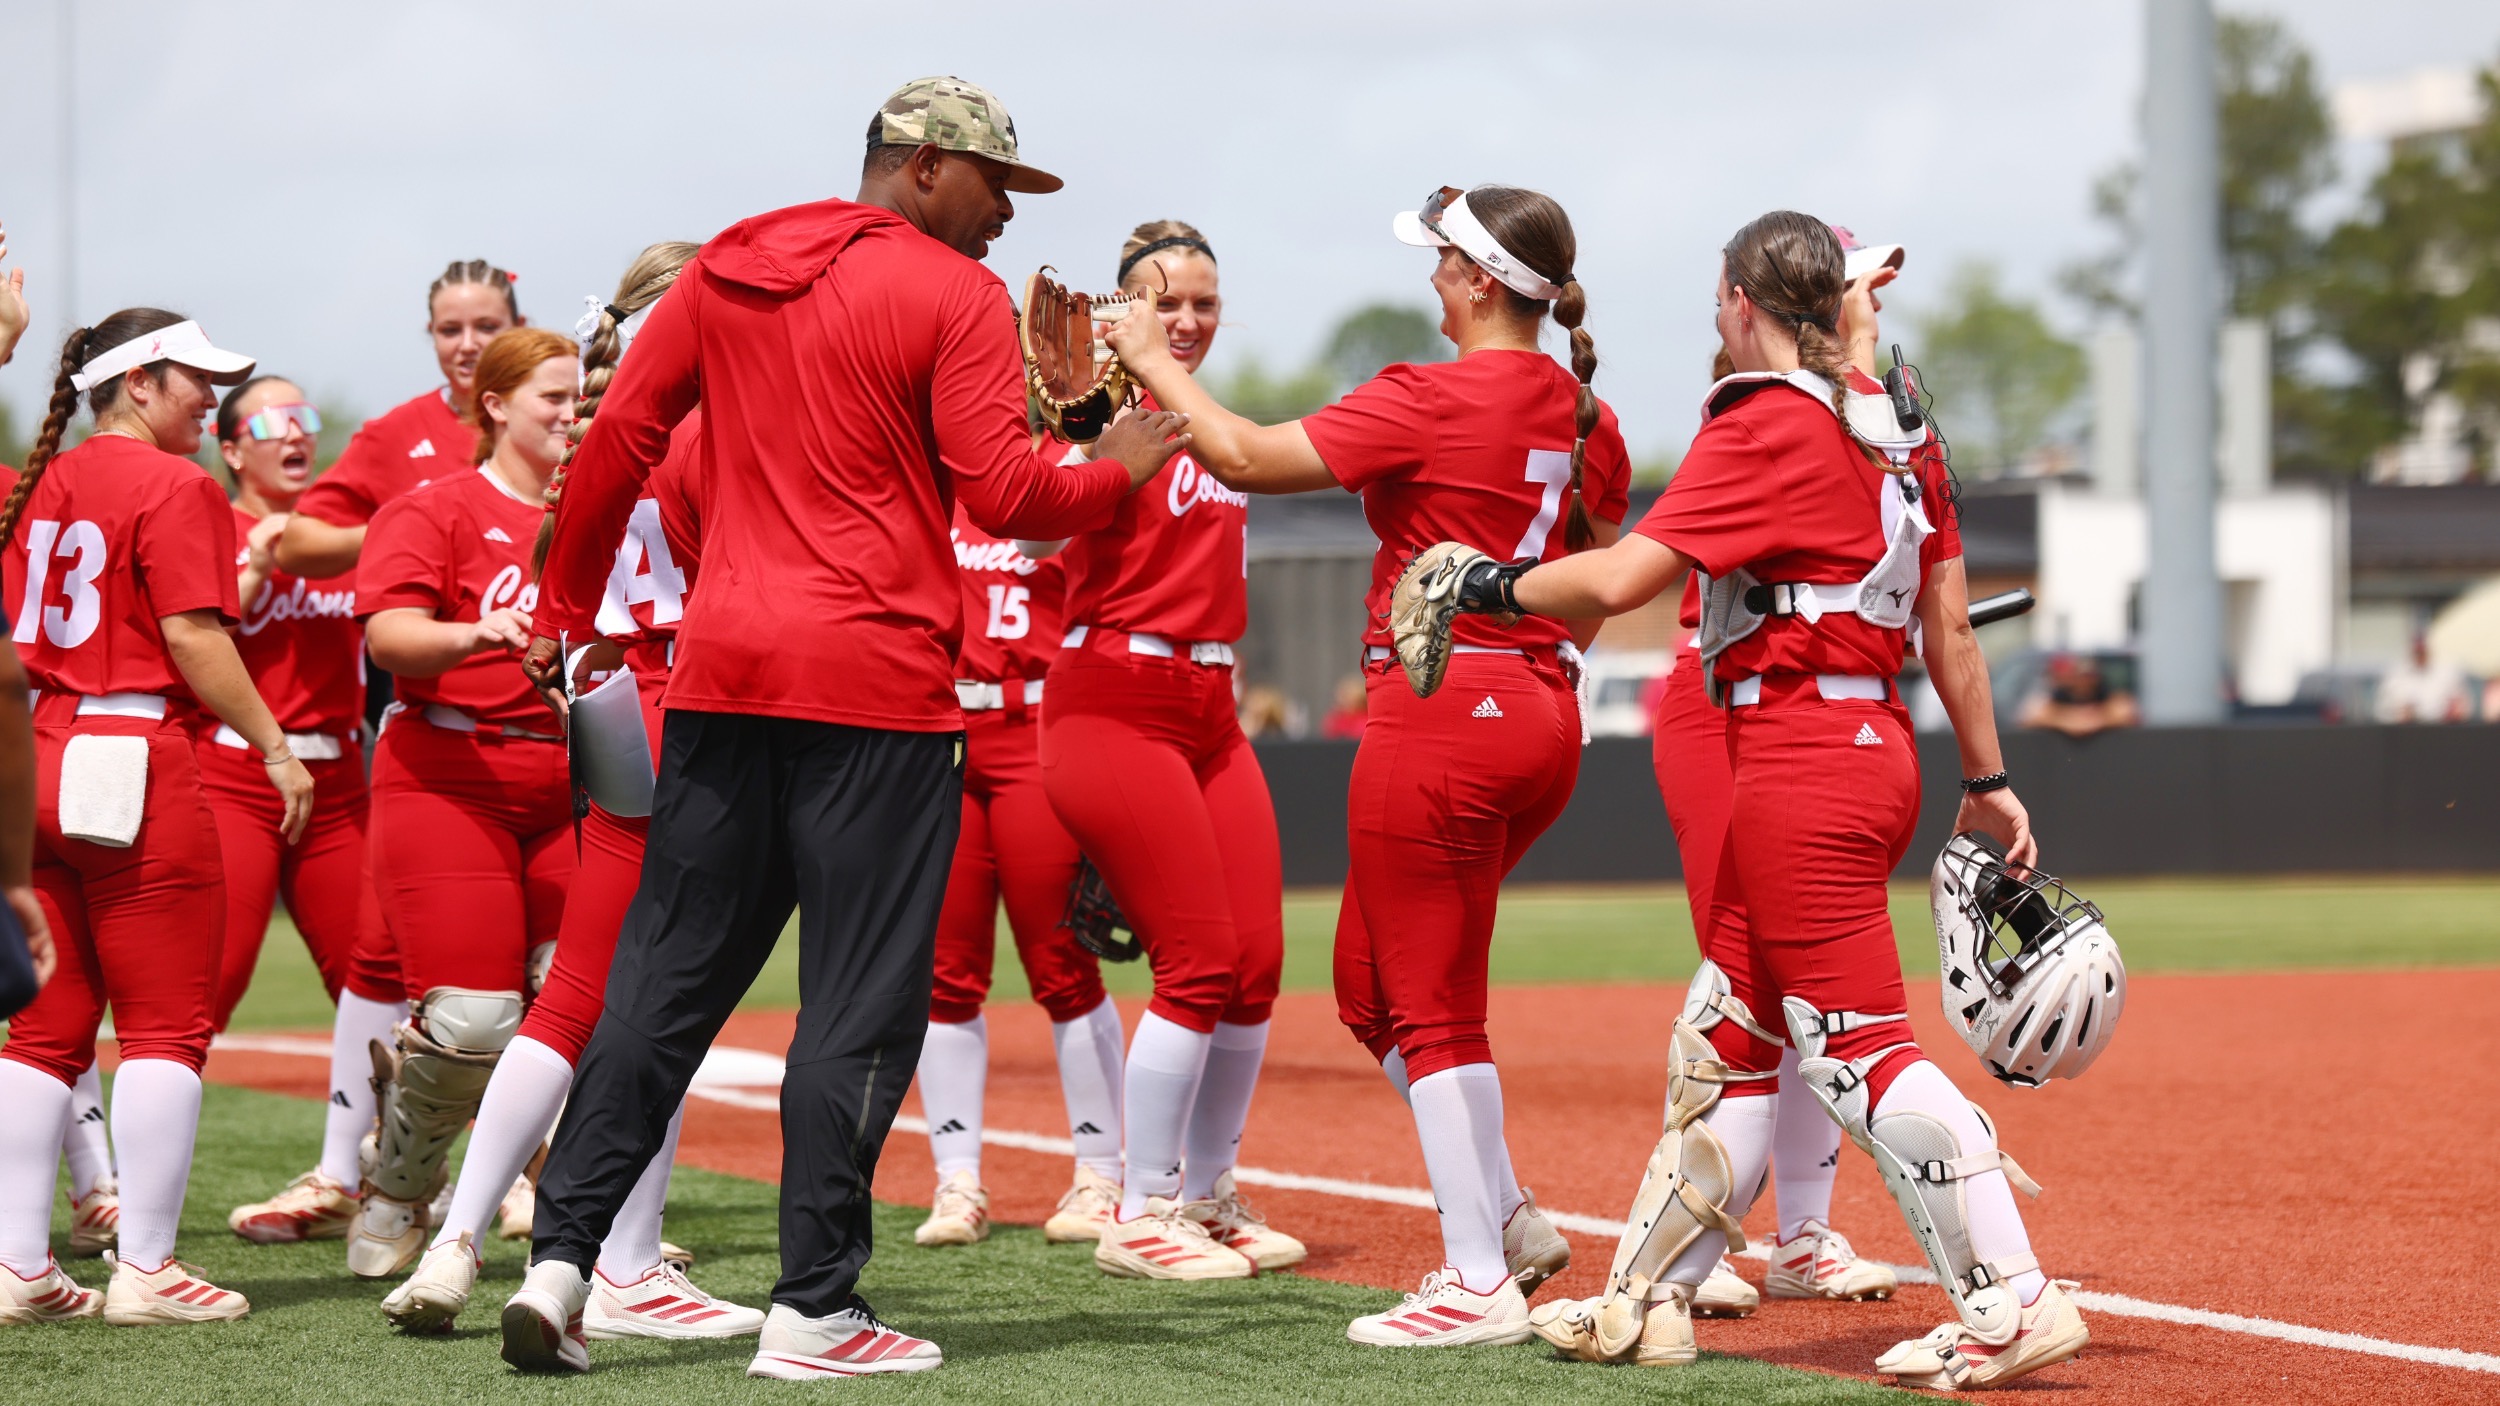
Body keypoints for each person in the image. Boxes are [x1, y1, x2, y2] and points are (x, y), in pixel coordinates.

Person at [516, 76, 1185, 1380]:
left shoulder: (728, 263)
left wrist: (561, 605)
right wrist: (1122, 468)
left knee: (661, 986)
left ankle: (560, 1263)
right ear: (925, 167)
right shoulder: (951, 294)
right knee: (859, 1005)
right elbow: (1005, 495)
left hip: (719, 680)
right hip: (873, 692)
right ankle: (814, 1306)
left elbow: (617, 443)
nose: (1004, 214)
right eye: (997, 183)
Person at [1404, 212, 2085, 1389]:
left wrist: (1484, 580)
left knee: (1860, 1049)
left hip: (1793, 755)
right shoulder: (1898, 432)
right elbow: (1951, 633)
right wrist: (1986, 778)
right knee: (1729, 1035)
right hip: (1873, 741)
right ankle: (1648, 1298)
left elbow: (1620, 578)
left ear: (1734, 302)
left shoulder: (1761, 421)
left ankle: (2011, 1297)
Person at [1103, 183, 1625, 1343]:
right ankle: (1505, 1216)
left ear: (1482, 281)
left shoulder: (1429, 395)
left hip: (1442, 707)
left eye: (1445, 260)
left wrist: (1149, 357)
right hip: (1539, 708)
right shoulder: (1586, 409)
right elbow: (1592, 580)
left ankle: (1476, 1274)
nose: (1433, 276)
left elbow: (1236, 453)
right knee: (1368, 988)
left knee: (1430, 1006)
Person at [0, 308, 315, 1325]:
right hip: (130, 753)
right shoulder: (176, 483)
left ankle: (17, 1265)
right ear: (137, 382)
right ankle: (146, 1266)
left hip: (36, 747)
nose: (208, 396)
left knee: (43, 1030)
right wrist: (271, 742)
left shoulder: (40, 476)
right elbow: (193, 634)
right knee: (166, 1027)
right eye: (193, 378)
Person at [1641, 230, 1928, 1318]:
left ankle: (1797, 1235)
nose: (1874, 311)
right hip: (1724, 707)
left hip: (1788, 714)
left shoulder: (1857, 411)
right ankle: (1708, 1242)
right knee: (1743, 982)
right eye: (1861, 290)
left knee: (1789, 985)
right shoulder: (1769, 401)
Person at [1027, 219, 1299, 1284]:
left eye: (1203, 301)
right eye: (1164, 300)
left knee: (1256, 965)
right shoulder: (1094, 414)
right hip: (1112, 696)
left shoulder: (1210, 421)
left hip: (1209, 701)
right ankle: (1137, 1209)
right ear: (1121, 311)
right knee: (1196, 961)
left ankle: (1206, 1191)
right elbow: (1036, 524)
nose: (1187, 319)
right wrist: (1088, 431)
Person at [234, 258, 521, 1247]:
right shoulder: (401, 438)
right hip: (432, 742)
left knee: (541, 969)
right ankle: (340, 1164)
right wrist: (413, 529)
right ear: (430, 336)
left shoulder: (547, 417)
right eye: (450, 326)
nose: (468, 341)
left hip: (544, 740)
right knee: (379, 954)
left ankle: (517, 1169)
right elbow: (303, 538)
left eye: (487, 323)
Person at [342, 327, 581, 1281]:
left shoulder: (604, 514)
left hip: (573, 780)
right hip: (450, 772)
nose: (571, 415)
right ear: (494, 406)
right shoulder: (434, 507)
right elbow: (389, 639)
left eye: (578, 399)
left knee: (585, 1009)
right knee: (477, 1021)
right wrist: (475, 632)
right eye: (552, 399)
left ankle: (599, 1232)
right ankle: (401, 1185)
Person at [910, 505, 1128, 1251]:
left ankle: (1102, 1173)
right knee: (945, 975)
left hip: (1040, 720)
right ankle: (956, 1179)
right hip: (943, 732)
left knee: (1065, 967)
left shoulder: (1067, 474)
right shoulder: (934, 479)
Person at [0, 229, 116, 1260]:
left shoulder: (27, 489)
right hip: (47, 745)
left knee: (46, 1008)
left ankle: (89, 1185)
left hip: (37, 748)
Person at [200, 379, 367, 1028]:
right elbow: (196, 639)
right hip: (235, 775)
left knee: (371, 984)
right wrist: (256, 571)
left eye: (303, 418)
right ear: (233, 452)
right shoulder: (210, 523)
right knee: (213, 980)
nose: (295, 432)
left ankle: (380, 1132)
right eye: (271, 424)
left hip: (339, 778)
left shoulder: (341, 539)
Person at [2019, 652, 2141, 736]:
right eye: (2081, 676)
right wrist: (2070, 720)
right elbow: (2030, 715)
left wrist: (2095, 721)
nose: (2085, 682)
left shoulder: (2105, 694)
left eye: (2089, 676)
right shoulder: (2059, 696)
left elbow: (2126, 711)